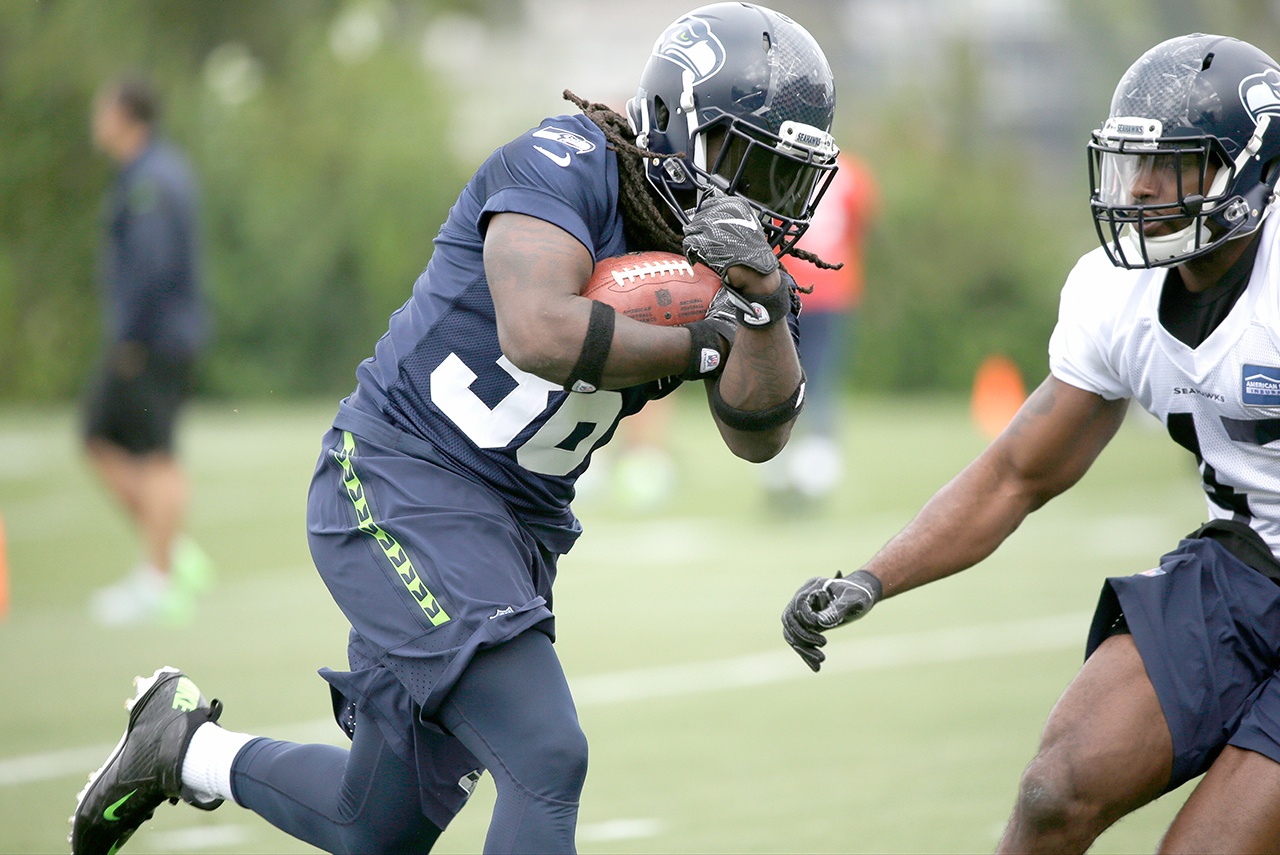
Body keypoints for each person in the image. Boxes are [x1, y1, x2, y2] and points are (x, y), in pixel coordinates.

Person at [70, 4, 840, 854]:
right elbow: (537, 332)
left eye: (786, 178)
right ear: (676, 126)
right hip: (402, 478)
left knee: (376, 824)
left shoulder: (735, 255)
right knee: (546, 756)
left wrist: (763, 302)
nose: (765, 199)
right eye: (749, 162)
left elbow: (759, 433)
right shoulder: (564, 162)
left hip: (515, 528)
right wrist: (704, 342)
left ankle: (184, 749)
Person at [783, 33, 1280, 853]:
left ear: (1253, 174)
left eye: (1177, 165)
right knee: (1057, 789)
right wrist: (872, 578)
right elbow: (1017, 472)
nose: (1143, 189)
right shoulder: (1114, 294)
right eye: (1133, 162)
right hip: (1242, 561)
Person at [83, 75, 213, 626]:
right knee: (104, 438)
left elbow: (153, 267)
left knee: (151, 452)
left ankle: (160, 578)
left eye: (102, 110)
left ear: (125, 116)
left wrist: (130, 336)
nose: (95, 121)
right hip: (159, 335)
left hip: (152, 338)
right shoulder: (151, 171)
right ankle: (171, 553)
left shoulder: (150, 180)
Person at [761, 151, 878, 509]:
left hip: (784, 285)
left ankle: (780, 468)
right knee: (819, 380)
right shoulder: (854, 172)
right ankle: (814, 474)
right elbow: (858, 230)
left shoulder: (776, 162)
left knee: (775, 378)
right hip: (831, 289)